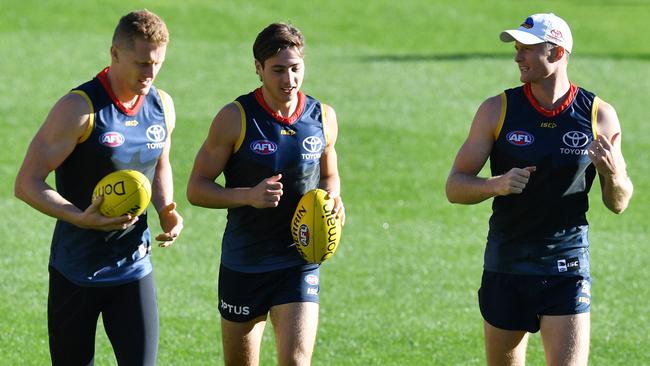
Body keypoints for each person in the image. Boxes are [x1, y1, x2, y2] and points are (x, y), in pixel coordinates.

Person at [446, 13, 633, 366]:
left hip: (567, 267)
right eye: (517, 47)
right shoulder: (496, 110)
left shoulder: (599, 115)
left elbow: (619, 202)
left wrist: (612, 174)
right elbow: (455, 186)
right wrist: (496, 184)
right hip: (507, 264)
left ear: (558, 53)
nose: (517, 56)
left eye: (527, 49)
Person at [14, 10, 183, 366]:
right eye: (142, 63)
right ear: (115, 54)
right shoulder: (79, 109)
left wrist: (166, 208)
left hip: (134, 265)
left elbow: (159, 161)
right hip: (76, 268)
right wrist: (78, 217)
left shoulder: (161, 105)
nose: (150, 73)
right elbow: (27, 182)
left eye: (158, 63)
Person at [187, 22, 344, 366]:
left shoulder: (322, 117)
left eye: (295, 69)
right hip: (246, 261)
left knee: (296, 361)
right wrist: (248, 196)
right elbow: (196, 188)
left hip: (300, 260)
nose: (289, 80)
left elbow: (329, 175)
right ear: (258, 69)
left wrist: (333, 197)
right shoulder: (235, 118)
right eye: (278, 71)